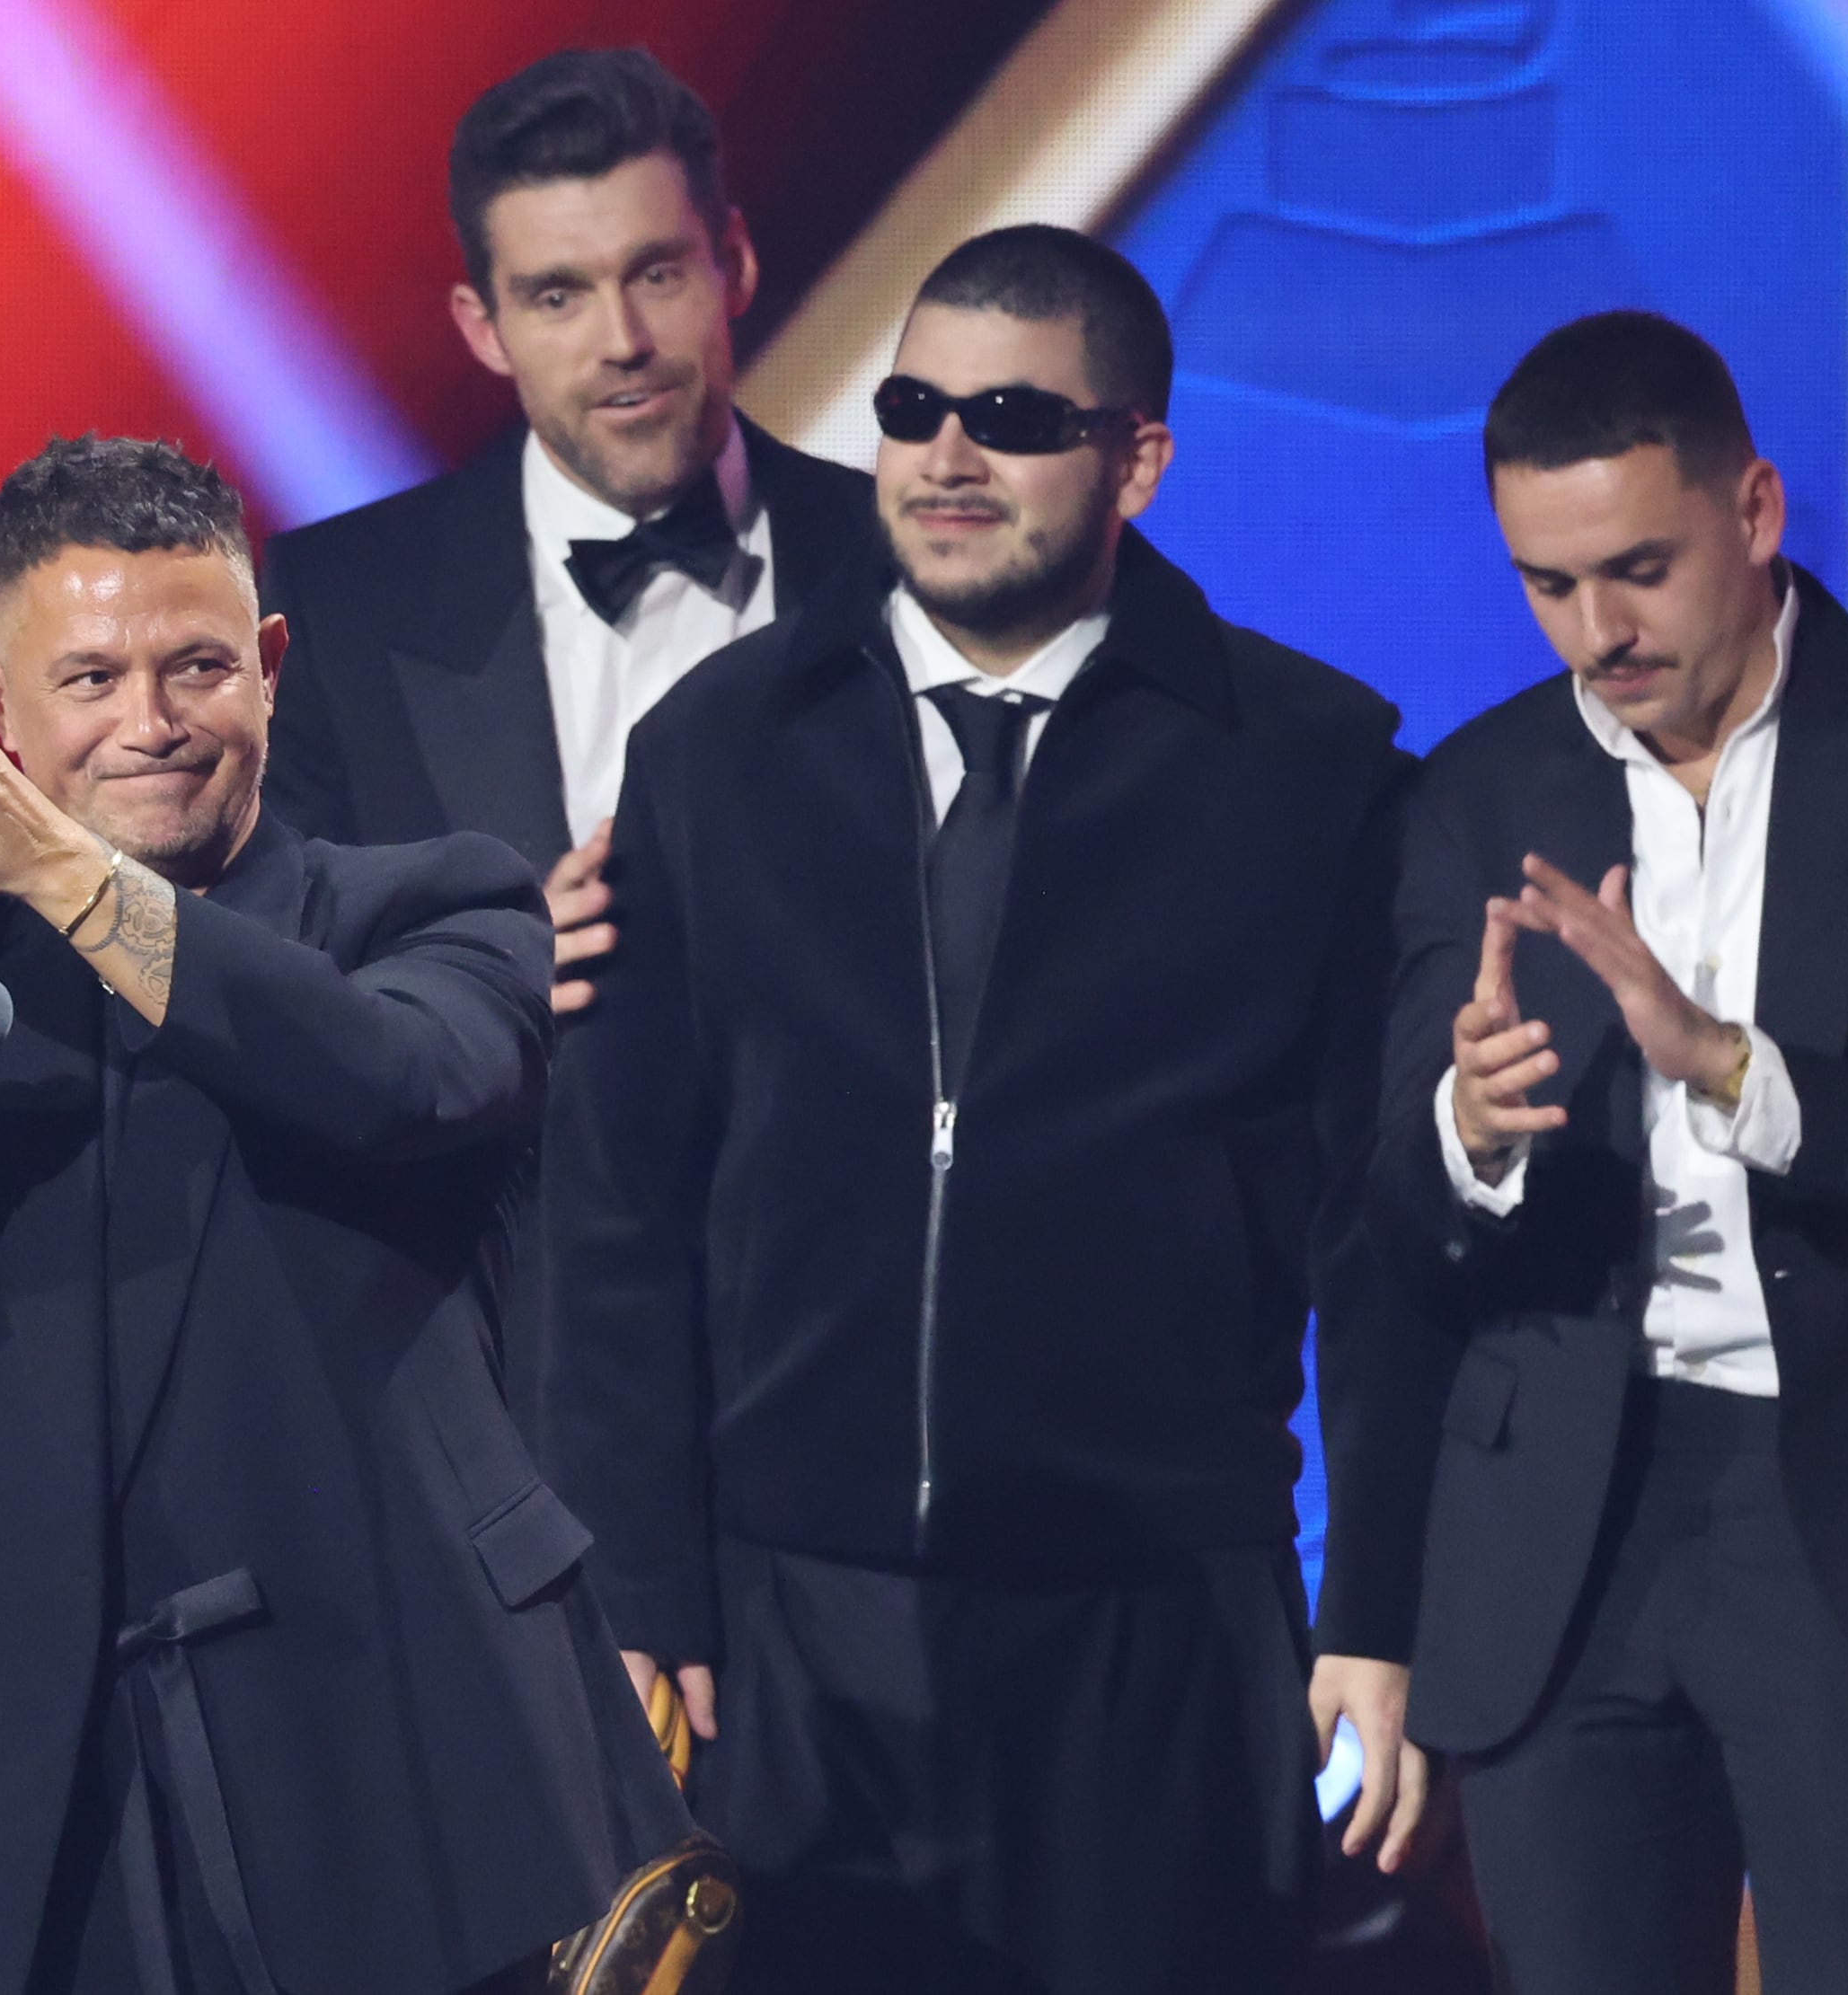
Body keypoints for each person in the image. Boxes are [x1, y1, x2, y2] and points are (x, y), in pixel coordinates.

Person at [0, 436, 691, 1995]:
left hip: (394, 1722)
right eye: (91, 680)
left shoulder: (434, 902)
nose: (150, 726)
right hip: (51, 1782)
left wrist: (53, 868)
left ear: (270, 666)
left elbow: (397, 1083)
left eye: (194, 669)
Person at [536, 223, 1428, 1995]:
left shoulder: (1310, 766)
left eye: (1010, 416)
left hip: (1154, 1623)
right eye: (913, 406)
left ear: (1136, 457)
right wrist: (643, 1578)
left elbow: (1379, 1240)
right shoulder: (720, 745)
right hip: (790, 1621)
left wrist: (1379, 1612)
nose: (945, 456)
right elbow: (625, 1203)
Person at [1365, 310, 1848, 1994]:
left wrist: (1725, 1068)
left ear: (1754, 512)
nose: (1595, 632)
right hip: (1560, 1529)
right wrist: (1466, 1130)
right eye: (1546, 586)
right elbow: (1390, 1213)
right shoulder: (1475, 790)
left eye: (1636, 568)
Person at [260, 45, 876, 1015]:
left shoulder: (902, 561)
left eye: (658, 274)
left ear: (735, 264)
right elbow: (273, 992)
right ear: (483, 327)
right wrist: (479, 987)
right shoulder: (337, 607)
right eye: (558, 297)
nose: (621, 341)